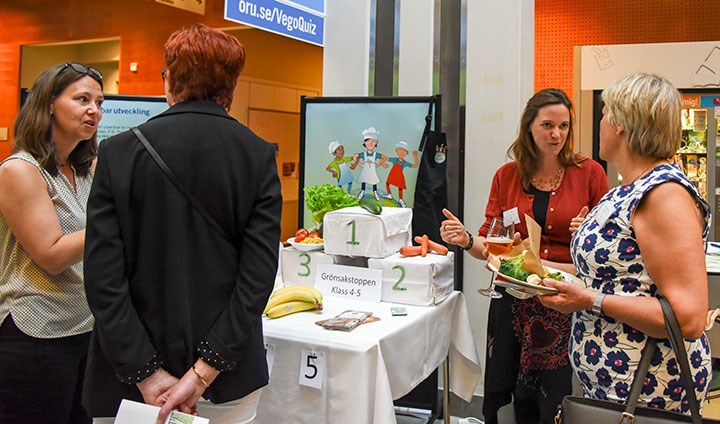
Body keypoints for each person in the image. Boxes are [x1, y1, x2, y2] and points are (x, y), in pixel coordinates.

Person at [83, 24, 282, 424]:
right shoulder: (258, 157)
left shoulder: (118, 153)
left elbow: (103, 279)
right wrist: (202, 373)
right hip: (226, 380)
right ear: (232, 85)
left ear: (169, 78)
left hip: (127, 383)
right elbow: (256, 279)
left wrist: (147, 374)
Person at [539, 73, 712, 413]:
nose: (600, 122)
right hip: (614, 386)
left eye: (604, 114)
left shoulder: (663, 195)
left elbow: (688, 317)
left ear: (620, 123)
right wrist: (535, 268)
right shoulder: (628, 188)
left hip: (648, 389)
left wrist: (589, 299)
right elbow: (616, 275)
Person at [440, 88, 609, 424]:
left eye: (563, 126)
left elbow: (605, 249)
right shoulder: (507, 176)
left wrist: (587, 231)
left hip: (563, 299)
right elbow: (491, 246)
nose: (556, 134)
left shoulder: (589, 173)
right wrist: (466, 239)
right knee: (511, 392)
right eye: (548, 125)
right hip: (513, 298)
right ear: (529, 126)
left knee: (556, 397)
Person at [0, 62, 104, 423]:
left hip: (85, 329)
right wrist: (116, 221)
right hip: (36, 335)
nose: (94, 110)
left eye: (99, 102)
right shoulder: (20, 170)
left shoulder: (84, 170)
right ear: (48, 104)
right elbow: (52, 255)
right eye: (82, 99)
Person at [354, 126, 388, 200]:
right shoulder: (364, 154)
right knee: (364, 179)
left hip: (372, 170)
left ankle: (375, 192)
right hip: (365, 170)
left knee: (373, 180)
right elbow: (356, 156)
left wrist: (379, 164)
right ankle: (362, 191)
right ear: (364, 142)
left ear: (376, 142)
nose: (370, 143)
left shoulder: (375, 154)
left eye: (373, 141)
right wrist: (359, 164)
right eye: (368, 141)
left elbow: (384, 157)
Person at [384, 140, 419, 207]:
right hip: (392, 174)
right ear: (396, 151)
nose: (402, 152)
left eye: (404, 151)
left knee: (400, 188)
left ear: (406, 153)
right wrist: (382, 162)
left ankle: (400, 199)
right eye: (400, 150)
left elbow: (415, 165)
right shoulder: (394, 159)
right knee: (387, 183)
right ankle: (389, 194)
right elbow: (386, 158)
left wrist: (415, 157)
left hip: (399, 176)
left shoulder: (405, 163)